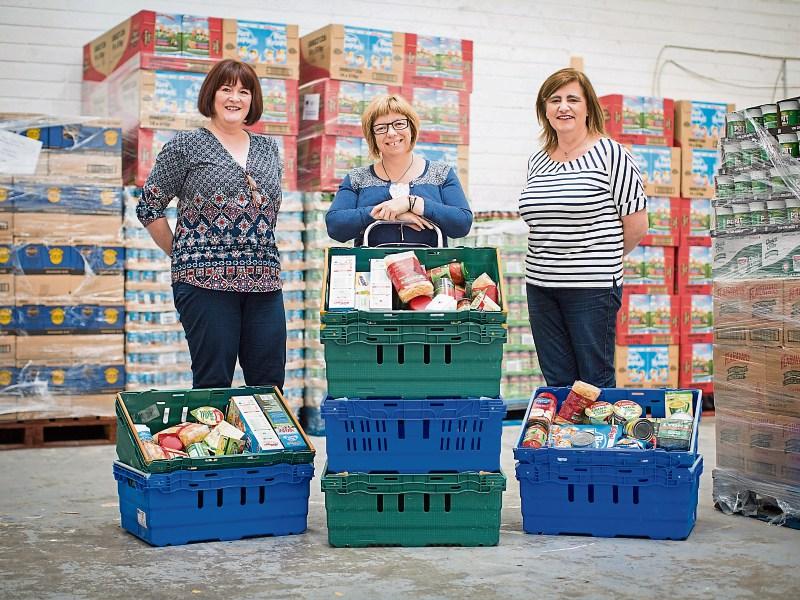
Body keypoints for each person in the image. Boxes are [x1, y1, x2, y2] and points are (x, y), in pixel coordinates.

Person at [136, 59, 286, 390]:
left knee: (270, 384)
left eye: (244, 91)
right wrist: (182, 254)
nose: (235, 98)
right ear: (211, 95)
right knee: (213, 383)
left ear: (253, 100)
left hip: (264, 282)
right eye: (226, 89)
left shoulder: (268, 149)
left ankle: (262, 429)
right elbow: (149, 207)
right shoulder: (185, 146)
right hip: (204, 282)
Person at [519, 68, 648, 388]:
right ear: (545, 109)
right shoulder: (538, 161)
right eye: (555, 100)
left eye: (572, 99)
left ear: (588, 107)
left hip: (592, 287)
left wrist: (598, 258)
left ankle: (600, 426)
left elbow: (636, 225)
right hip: (540, 286)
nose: (563, 107)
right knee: (557, 381)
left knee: (594, 380)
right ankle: (566, 426)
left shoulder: (612, 155)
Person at [326, 94, 472, 246]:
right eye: (381, 128)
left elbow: (462, 224)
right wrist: (390, 213)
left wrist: (411, 203)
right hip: (372, 262)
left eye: (399, 124)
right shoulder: (357, 178)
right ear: (372, 137)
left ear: (412, 128)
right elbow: (335, 226)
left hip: (431, 262)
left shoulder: (441, 174)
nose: (391, 133)